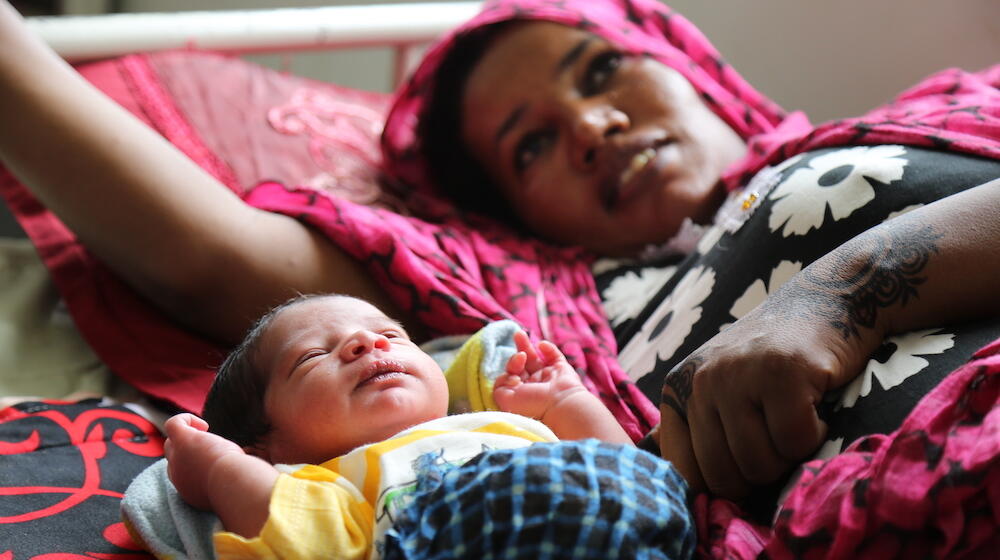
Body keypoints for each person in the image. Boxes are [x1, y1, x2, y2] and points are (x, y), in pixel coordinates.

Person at [1, 0, 998, 514]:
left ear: (685, 62)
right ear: (518, 218)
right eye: (530, 146)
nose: (591, 127)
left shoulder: (936, 117)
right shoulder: (538, 315)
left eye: (601, 69)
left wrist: (833, 296)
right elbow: (211, 258)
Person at [147, 293, 691, 558]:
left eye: (392, 333)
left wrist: (567, 401)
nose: (368, 343)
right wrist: (220, 469)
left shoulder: (504, 423)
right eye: (312, 357)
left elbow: (635, 472)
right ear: (265, 449)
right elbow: (306, 543)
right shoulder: (331, 488)